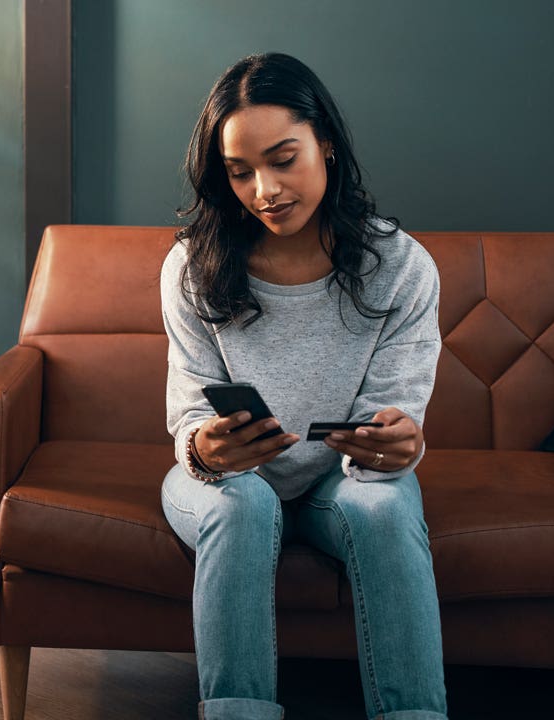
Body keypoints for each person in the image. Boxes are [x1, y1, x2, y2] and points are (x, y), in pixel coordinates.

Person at [160, 52, 448, 720]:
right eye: (240, 172)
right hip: (226, 485)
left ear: (325, 144)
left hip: (339, 481)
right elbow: (188, 410)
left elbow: (394, 414)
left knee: (385, 504)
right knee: (241, 505)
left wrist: (399, 444)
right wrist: (205, 450)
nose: (264, 189)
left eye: (283, 158)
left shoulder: (399, 266)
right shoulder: (190, 268)